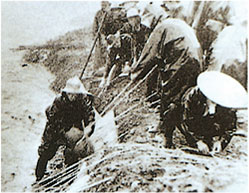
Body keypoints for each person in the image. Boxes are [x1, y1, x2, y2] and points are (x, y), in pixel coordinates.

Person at [163, 71, 247, 154]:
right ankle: (168, 139)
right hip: (189, 121)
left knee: (207, 143)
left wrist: (221, 142)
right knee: (172, 109)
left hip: (206, 123)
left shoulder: (225, 101)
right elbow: (187, 119)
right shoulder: (194, 95)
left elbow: (230, 127)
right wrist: (198, 141)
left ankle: (207, 140)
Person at [35, 76, 96, 181]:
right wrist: (64, 132)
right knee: (46, 151)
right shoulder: (59, 101)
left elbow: (90, 116)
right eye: (70, 94)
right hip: (56, 128)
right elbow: (52, 121)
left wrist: (89, 128)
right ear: (66, 93)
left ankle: (69, 176)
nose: (72, 96)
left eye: (75, 94)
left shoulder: (83, 100)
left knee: (72, 153)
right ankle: (39, 176)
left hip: (74, 127)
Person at [131, 18, 203, 105]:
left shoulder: (161, 28)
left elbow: (150, 53)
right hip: (196, 60)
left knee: (170, 100)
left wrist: (135, 73)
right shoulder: (179, 23)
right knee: (185, 99)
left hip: (181, 62)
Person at [92, 1, 111, 71]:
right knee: (100, 51)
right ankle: (98, 68)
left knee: (108, 50)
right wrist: (95, 35)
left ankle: (107, 67)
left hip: (108, 34)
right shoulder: (98, 14)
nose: (103, 6)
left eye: (105, 4)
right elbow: (95, 26)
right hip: (100, 35)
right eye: (102, 4)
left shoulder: (110, 13)